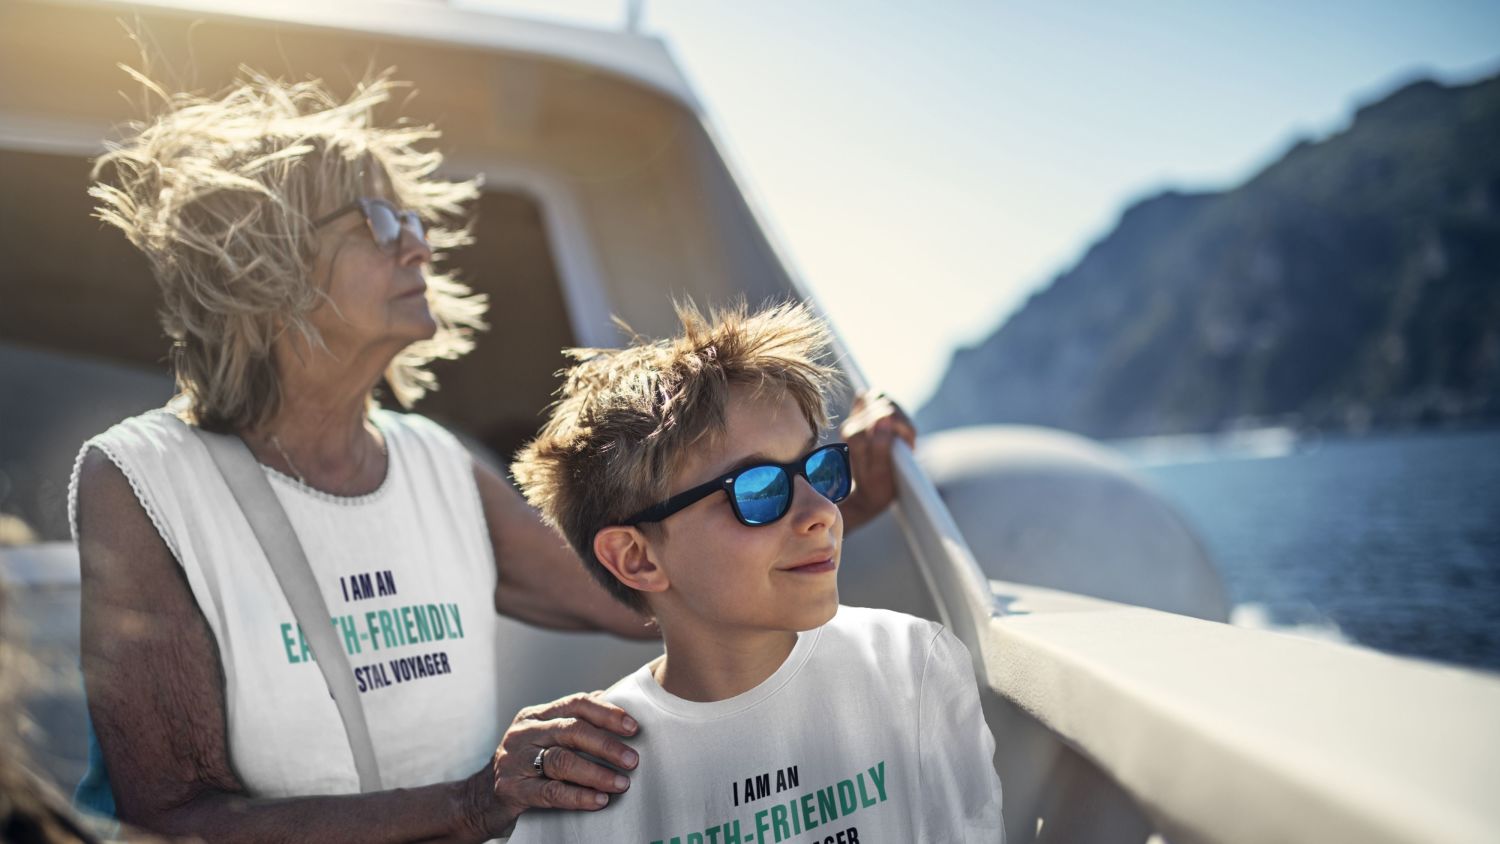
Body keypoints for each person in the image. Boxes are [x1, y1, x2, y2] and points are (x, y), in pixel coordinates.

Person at [70, 72, 914, 842]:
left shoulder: (436, 464)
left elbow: (653, 585)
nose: (418, 246)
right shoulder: (142, 480)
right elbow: (168, 822)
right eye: (378, 221)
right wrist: (477, 803)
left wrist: (842, 487)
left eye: (413, 220)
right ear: (265, 257)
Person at [506, 301, 1004, 843]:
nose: (821, 513)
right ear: (637, 558)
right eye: (759, 489)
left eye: (820, 469)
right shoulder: (582, 782)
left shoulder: (912, 665)